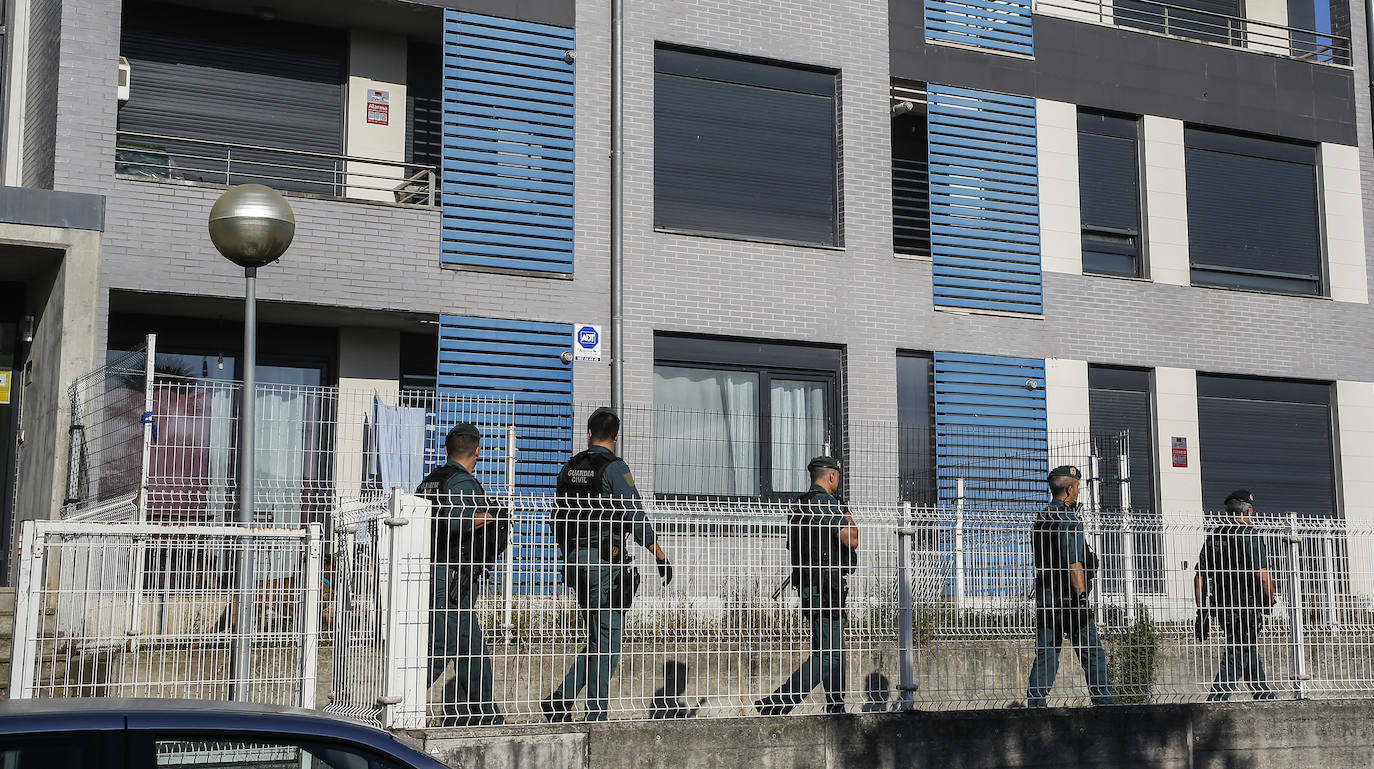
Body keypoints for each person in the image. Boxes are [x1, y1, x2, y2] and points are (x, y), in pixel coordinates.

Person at [543, 407, 673, 722]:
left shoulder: (569, 468)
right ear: (616, 436)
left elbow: (558, 516)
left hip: (575, 560)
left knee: (598, 638)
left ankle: (560, 700)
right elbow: (634, 512)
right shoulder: (615, 469)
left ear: (589, 433)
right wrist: (658, 552)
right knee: (609, 641)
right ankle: (596, 714)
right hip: (604, 561)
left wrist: (569, 552)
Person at [415, 422, 509, 726]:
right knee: (443, 646)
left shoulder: (429, 482)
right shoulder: (461, 482)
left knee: (473, 650)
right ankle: (400, 700)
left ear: (446, 449)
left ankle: (487, 716)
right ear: (478, 450)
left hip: (437, 570)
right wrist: (493, 515)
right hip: (453, 574)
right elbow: (458, 522)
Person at [756, 456, 859, 716]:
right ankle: (777, 703)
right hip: (825, 589)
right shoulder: (825, 504)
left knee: (835, 653)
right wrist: (846, 512)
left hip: (813, 586)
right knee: (826, 654)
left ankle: (837, 707)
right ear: (832, 476)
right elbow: (852, 539)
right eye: (838, 476)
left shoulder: (801, 505)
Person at [1024, 465, 1115, 708]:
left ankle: (1035, 706)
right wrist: (1082, 598)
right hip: (1070, 601)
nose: (1077, 493)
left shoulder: (1041, 519)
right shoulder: (1069, 519)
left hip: (1046, 597)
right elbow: (1073, 563)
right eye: (1076, 488)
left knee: (1048, 654)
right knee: (1093, 654)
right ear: (1069, 488)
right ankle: (1105, 704)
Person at [1195, 489, 1277, 701]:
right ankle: (1217, 699)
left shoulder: (1215, 536)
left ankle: (1263, 692)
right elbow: (1263, 575)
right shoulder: (1250, 534)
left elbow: (1200, 576)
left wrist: (1201, 609)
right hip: (1248, 606)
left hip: (1223, 606)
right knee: (1238, 651)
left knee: (1246, 646)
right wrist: (1270, 599)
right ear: (1249, 511)